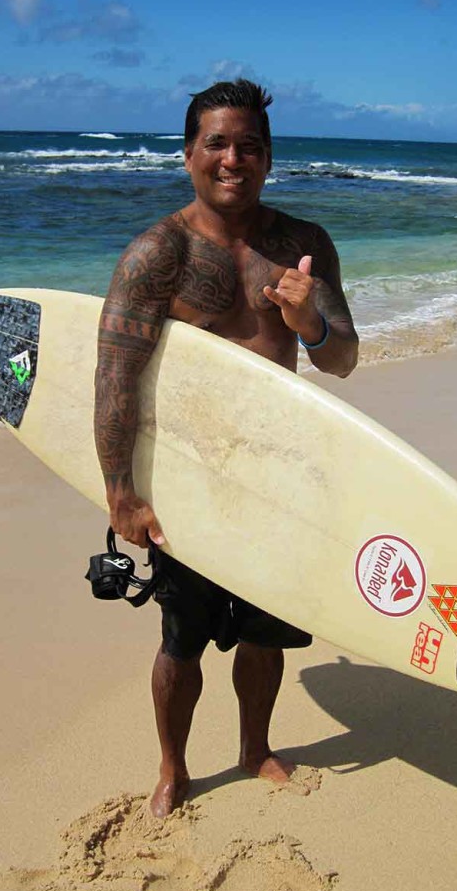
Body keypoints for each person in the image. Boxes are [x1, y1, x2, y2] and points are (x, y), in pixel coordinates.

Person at [94, 78, 358, 817]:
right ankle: (174, 768)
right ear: (188, 156)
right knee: (181, 638)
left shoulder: (305, 247)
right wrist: (122, 491)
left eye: (249, 145)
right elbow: (114, 377)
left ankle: (254, 747)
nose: (233, 157)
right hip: (188, 478)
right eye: (217, 143)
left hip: (279, 472)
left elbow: (342, 359)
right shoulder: (158, 255)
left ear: (269, 158)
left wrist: (309, 322)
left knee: (266, 630)